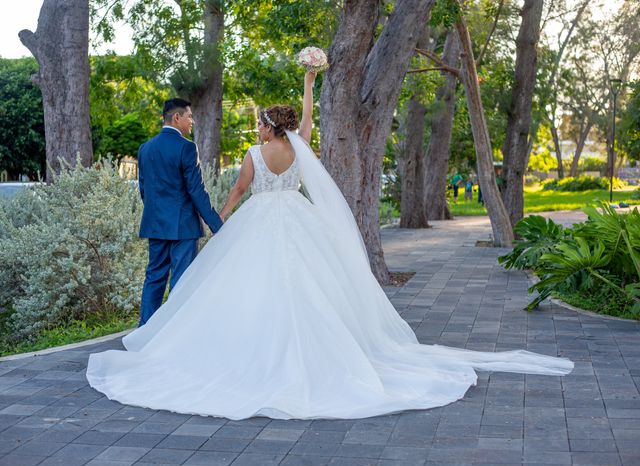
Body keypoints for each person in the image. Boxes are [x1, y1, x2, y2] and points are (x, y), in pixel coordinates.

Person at [86, 71, 572, 421]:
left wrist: (222, 223)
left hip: (253, 222)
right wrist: (309, 82)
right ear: (288, 127)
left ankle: (166, 335)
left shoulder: (253, 153)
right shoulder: (299, 148)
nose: (256, 130)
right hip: (297, 223)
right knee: (309, 284)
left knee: (232, 286)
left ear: (266, 127)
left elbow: (235, 192)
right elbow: (308, 122)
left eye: (258, 123)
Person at [137, 98, 223, 326]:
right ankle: (173, 333)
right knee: (182, 281)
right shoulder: (186, 147)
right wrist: (218, 225)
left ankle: (145, 331)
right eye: (190, 116)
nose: (192, 121)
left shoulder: (145, 149)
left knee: (154, 278)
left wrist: (158, 215)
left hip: (155, 225)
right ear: (177, 118)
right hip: (183, 227)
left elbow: (144, 190)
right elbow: (197, 191)